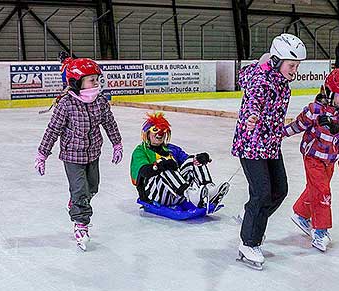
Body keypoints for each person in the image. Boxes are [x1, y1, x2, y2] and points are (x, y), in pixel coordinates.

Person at [231, 33, 307, 269]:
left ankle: (251, 218)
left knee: (280, 189)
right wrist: (252, 115)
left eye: (297, 66)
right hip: (251, 143)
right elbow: (254, 97)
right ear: (277, 60)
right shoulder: (261, 79)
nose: (294, 70)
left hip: (271, 143)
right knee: (262, 192)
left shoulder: (281, 80)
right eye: (291, 65)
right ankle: (249, 242)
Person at [35, 57, 123, 251]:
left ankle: (75, 203)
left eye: (97, 79)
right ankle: (81, 225)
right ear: (77, 82)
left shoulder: (99, 101)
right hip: (72, 156)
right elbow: (53, 130)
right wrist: (43, 154)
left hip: (93, 153)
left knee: (92, 187)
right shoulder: (66, 104)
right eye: (91, 80)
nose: (96, 83)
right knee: (80, 190)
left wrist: (117, 143)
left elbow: (109, 123)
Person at [281, 68, 339, 252]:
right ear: (330, 92)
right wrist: (280, 134)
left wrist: (334, 129)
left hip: (330, 158)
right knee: (323, 191)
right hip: (313, 156)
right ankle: (320, 232)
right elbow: (298, 125)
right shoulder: (315, 110)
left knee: (315, 188)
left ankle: (300, 213)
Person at [130, 112, 229, 211]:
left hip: (177, 193)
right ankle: (191, 195)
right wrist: (159, 165)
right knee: (165, 167)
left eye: (163, 130)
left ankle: (209, 190)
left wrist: (200, 158)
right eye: (155, 130)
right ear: (147, 133)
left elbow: (188, 161)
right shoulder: (141, 151)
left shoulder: (172, 149)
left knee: (193, 161)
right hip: (156, 195)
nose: (159, 134)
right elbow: (142, 171)